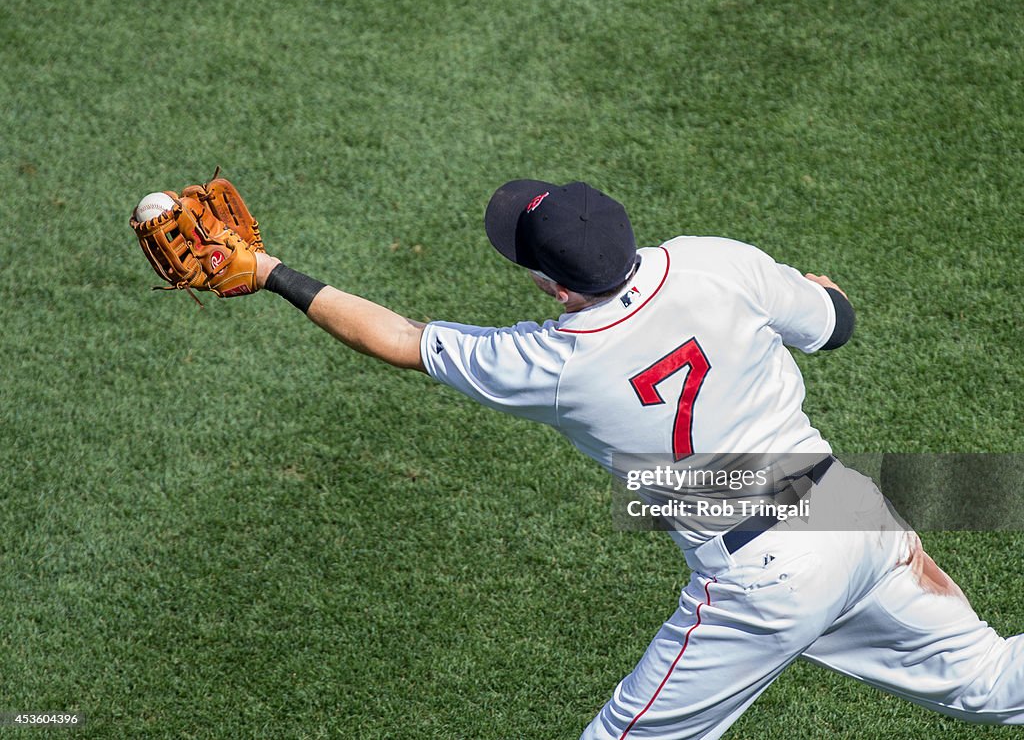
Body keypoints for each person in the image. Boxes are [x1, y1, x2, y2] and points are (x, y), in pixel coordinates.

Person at [252, 180, 1024, 739]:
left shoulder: (553, 362)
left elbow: (399, 338)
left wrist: (268, 271)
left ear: (554, 287)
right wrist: (820, 290)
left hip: (763, 582)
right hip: (849, 515)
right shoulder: (713, 262)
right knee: (989, 678)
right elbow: (836, 321)